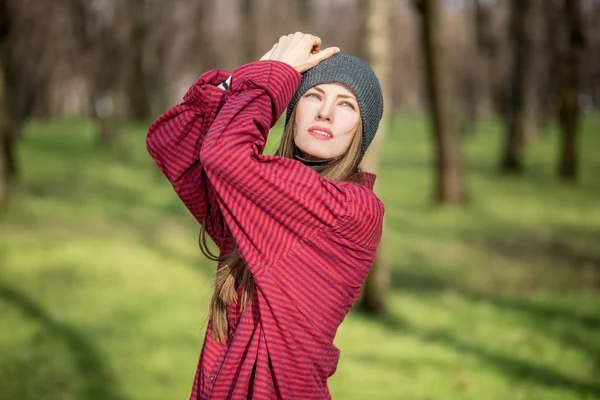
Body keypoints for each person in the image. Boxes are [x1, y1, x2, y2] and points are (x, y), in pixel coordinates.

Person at [146, 32, 385, 400]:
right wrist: (254, 76)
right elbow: (172, 138)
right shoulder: (256, 198)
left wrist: (271, 74)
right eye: (313, 95)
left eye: (347, 105)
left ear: (360, 132)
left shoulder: (352, 210)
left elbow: (223, 155)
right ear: (293, 108)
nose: (326, 112)